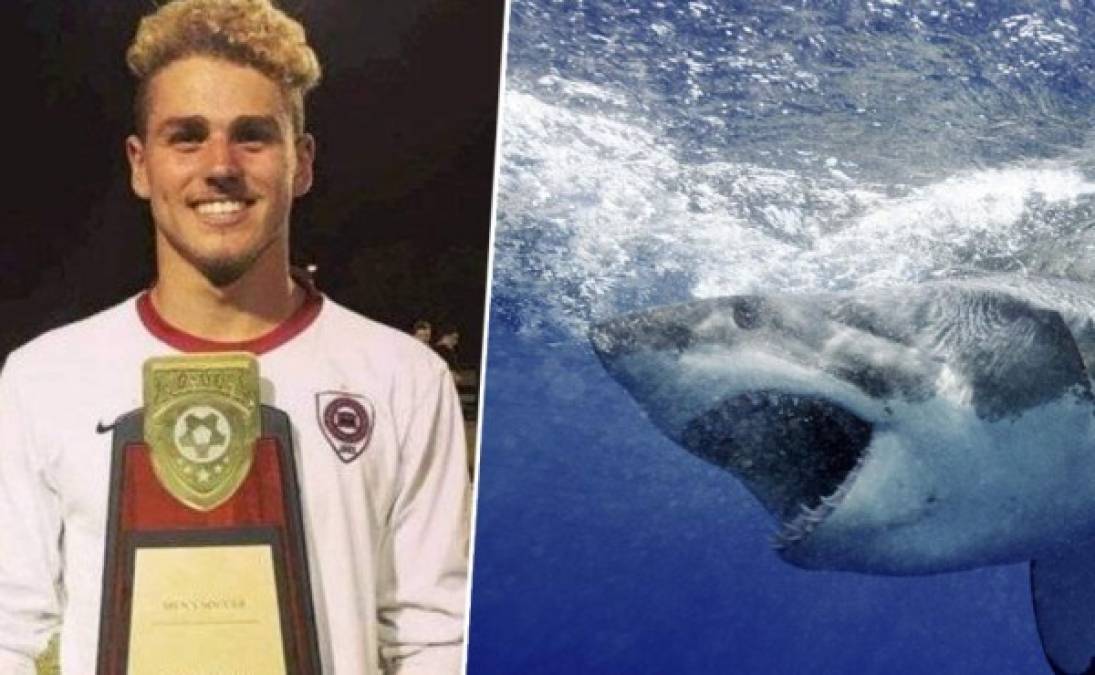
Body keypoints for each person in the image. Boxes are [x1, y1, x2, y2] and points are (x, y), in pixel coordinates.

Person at [0, 1, 469, 673]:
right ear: (140, 164)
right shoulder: (42, 378)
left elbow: (433, 637)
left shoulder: (404, 378)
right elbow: (9, 630)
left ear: (300, 162)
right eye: (185, 136)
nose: (220, 164)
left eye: (253, 135)